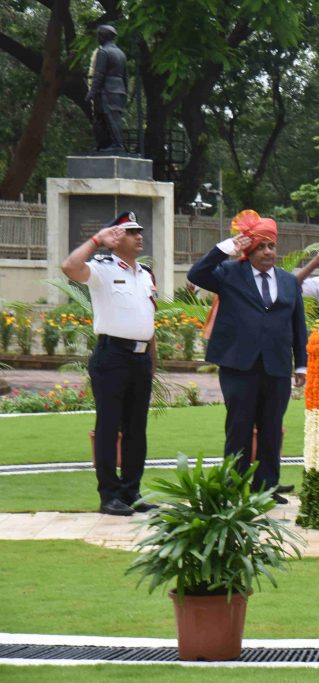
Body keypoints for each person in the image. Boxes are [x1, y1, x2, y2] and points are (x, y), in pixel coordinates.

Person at [187, 210, 308, 503]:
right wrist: (227, 247)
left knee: (271, 428)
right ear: (250, 250)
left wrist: (301, 364)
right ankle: (234, 485)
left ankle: (267, 486)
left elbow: (298, 325)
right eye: (262, 246)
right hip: (239, 364)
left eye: (272, 246)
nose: (268, 252)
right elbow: (196, 274)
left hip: (276, 366)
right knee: (239, 426)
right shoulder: (230, 274)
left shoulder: (288, 281)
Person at [61, 211, 156, 515]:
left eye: (139, 231)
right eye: (130, 231)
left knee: (136, 428)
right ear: (116, 239)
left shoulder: (145, 273)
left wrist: (152, 359)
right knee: (108, 426)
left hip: (140, 358)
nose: (138, 236)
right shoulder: (103, 268)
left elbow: (147, 317)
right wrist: (96, 240)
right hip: (112, 355)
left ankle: (131, 492)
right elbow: (69, 267)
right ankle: (109, 495)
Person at [87, 25, 127, 152]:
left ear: (103, 36)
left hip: (107, 90)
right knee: (106, 118)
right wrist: (125, 92)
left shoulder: (103, 52)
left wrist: (91, 92)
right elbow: (125, 76)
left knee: (109, 117)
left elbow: (99, 74)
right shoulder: (121, 53)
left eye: (99, 35)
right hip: (119, 89)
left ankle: (117, 144)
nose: (98, 38)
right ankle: (105, 144)